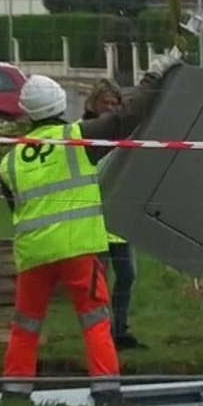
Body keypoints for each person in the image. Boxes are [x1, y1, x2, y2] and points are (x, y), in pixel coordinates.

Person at [0, 54, 182, 404]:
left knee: (25, 325)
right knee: (95, 320)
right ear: (60, 106)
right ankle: (107, 394)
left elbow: (15, 206)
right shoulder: (77, 138)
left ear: (27, 113)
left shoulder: (10, 160)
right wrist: (155, 75)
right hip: (78, 249)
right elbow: (127, 116)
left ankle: (15, 394)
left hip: (33, 253)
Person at [82, 79, 144, 351]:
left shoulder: (123, 134)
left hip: (119, 218)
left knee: (127, 275)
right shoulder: (82, 132)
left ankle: (120, 328)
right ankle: (101, 331)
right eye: (104, 103)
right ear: (93, 104)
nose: (109, 108)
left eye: (114, 103)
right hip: (93, 218)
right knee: (99, 280)